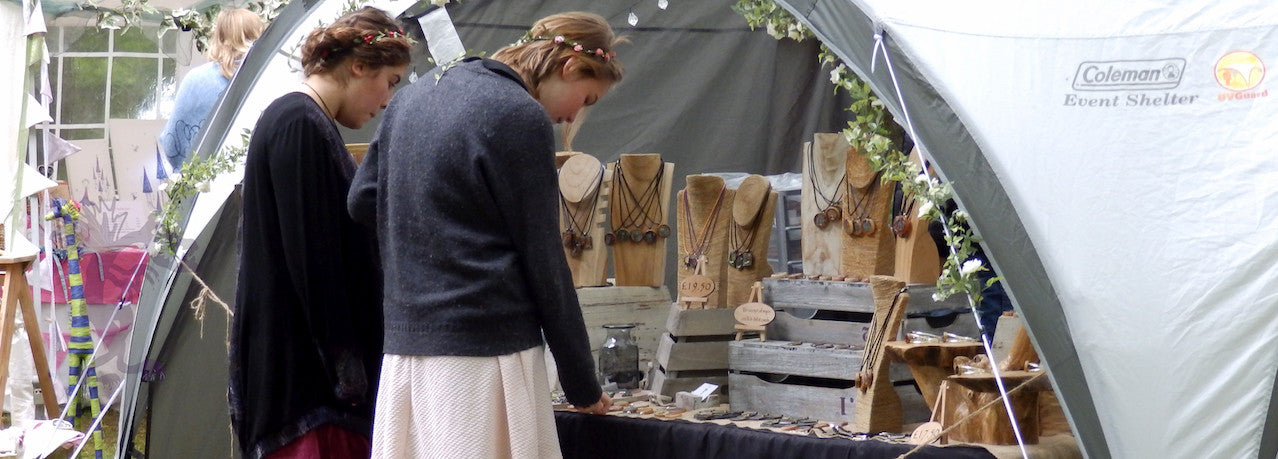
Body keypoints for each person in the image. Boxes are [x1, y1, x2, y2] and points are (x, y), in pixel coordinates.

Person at [347, 11, 622, 458]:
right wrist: (582, 384)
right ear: (569, 67)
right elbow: (545, 261)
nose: (574, 115)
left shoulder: (410, 100)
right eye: (586, 98)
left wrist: (426, 233)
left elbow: (361, 200)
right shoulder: (519, 115)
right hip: (484, 358)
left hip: (408, 353)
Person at [229, 7, 411, 459]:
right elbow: (314, 264)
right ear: (359, 66)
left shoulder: (307, 121)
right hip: (306, 390)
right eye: (390, 82)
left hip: (313, 384)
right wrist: (348, 371)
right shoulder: (298, 123)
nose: (388, 100)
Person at [159, 8, 264, 170]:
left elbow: (171, 145)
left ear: (219, 37)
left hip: (204, 185)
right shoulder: (265, 77)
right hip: (255, 180)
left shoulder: (196, 81)